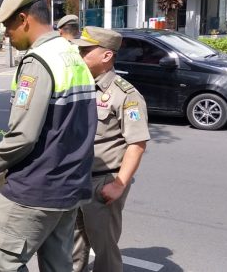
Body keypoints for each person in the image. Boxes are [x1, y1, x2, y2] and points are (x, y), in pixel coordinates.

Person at [0, 0, 97, 272]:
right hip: (69, 186)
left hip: (36, 189)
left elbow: (23, 136)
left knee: (3, 259)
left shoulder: (38, 62)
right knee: (58, 264)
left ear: (24, 19)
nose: (6, 35)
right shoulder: (71, 53)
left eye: (8, 26)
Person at [71, 26, 150, 272]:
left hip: (103, 182)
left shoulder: (126, 95)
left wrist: (118, 184)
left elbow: (137, 144)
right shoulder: (80, 86)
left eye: (85, 51)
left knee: (104, 250)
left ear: (106, 56)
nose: (79, 55)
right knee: (73, 245)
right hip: (75, 179)